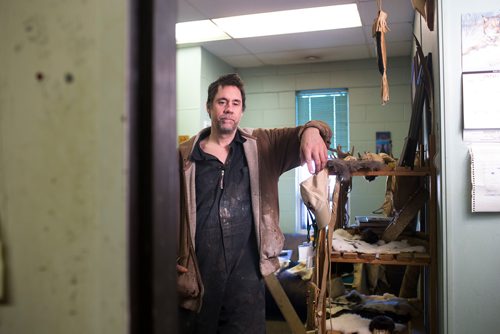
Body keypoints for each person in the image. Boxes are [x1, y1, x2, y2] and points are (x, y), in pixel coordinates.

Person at [177, 73, 332, 334]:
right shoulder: (183, 157)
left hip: (246, 285)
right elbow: (155, 212)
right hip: (197, 282)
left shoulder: (262, 146)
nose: (228, 109)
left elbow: (312, 130)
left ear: (242, 110)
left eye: (235, 103)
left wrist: (313, 130)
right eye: (222, 101)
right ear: (209, 106)